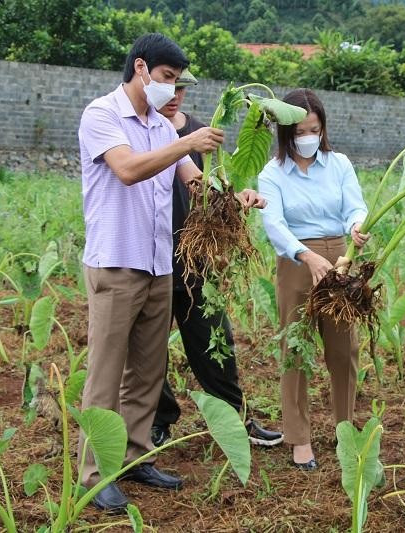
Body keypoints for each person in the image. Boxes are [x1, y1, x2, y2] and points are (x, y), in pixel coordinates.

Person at [77, 33, 264, 513]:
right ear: (140, 68)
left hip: (160, 263)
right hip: (117, 261)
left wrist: (233, 198)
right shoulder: (102, 115)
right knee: (105, 372)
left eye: (176, 81)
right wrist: (186, 141)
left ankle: (136, 457)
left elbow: (194, 182)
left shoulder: (161, 128)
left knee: (147, 368)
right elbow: (127, 169)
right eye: (166, 78)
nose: (170, 88)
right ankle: (94, 475)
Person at [151, 69, 283, 449]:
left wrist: (239, 196)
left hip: (196, 259)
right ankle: (159, 421)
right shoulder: (142, 131)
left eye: (181, 88)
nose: (175, 94)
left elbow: (217, 181)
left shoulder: (200, 131)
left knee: (214, 341)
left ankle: (236, 420)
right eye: (169, 86)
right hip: (152, 258)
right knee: (150, 351)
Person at [257, 88, 370, 470]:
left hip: (340, 256)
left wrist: (356, 226)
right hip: (296, 260)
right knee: (297, 348)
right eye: (300, 131)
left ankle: (345, 428)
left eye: (315, 129)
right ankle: (299, 438)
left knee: (344, 349)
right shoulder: (272, 174)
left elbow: (354, 204)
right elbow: (274, 223)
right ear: (285, 132)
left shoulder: (338, 164)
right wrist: (307, 257)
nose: (309, 137)